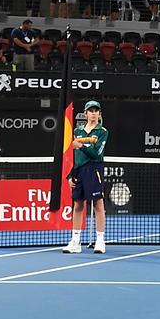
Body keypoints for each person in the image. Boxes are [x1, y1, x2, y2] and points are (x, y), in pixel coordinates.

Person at [63, 101, 110, 254]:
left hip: (94, 169)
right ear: (86, 114)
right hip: (79, 171)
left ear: (100, 114)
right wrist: (70, 175)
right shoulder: (77, 131)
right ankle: (75, 242)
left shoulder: (102, 132)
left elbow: (97, 154)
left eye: (97, 111)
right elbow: (72, 156)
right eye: (91, 111)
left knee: (98, 204)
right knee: (77, 205)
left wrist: (82, 146)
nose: (94, 113)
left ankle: (100, 241)